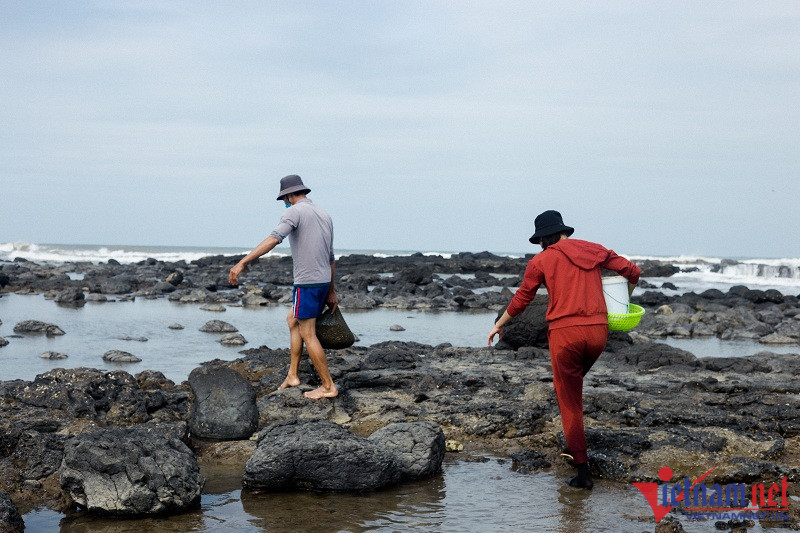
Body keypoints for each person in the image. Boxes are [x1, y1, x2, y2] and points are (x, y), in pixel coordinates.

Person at [487, 210, 641, 490]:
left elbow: (523, 298)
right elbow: (633, 272)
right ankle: (574, 441)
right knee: (573, 386)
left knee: (569, 399)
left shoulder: (541, 260)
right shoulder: (594, 249)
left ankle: (582, 473)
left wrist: (500, 324)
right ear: (564, 231)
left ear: (543, 239)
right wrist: (625, 298)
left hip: (565, 334)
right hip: (598, 333)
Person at [229, 174, 339, 400]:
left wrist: (243, 262)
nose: (285, 203)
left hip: (307, 282)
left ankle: (328, 386)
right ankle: (292, 375)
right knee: (293, 320)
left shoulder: (294, 212)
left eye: (285, 199)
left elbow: (274, 239)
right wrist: (331, 290)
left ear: (289, 194)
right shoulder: (324, 214)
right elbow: (331, 257)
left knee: (308, 333)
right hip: (322, 280)